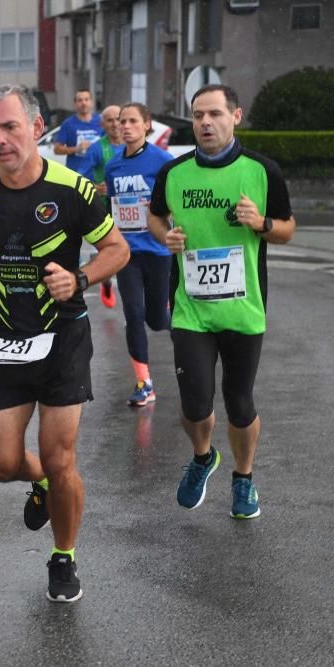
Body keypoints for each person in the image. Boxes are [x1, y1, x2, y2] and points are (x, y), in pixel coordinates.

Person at [0, 84, 129, 603]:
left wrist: (79, 277)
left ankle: (63, 556)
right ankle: (40, 484)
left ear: (35, 129)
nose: (0, 139)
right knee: (1, 464)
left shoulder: (74, 190)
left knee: (60, 457)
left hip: (63, 338)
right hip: (6, 340)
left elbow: (116, 249)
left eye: (10, 127)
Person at [148, 84, 295, 520]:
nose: (205, 123)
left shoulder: (262, 171)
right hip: (191, 309)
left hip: (244, 310)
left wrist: (262, 223)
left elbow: (288, 228)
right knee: (194, 403)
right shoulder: (174, 173)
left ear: (236, 115)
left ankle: (244, 478)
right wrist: (164, 236)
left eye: (214, 114)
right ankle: (202, 457)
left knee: (240, 402)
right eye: (197, 115)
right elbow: (156, 216)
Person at [104, 103, 174, 406]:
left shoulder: (162, 161)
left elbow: (176, 202)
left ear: (147, 125)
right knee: (133, 314)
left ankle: (190, 335)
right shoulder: (113, 166)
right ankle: (144, 383)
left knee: (157, 320)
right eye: (122, 121)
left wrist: (162, 214)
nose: (125, 126)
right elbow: (111, 208)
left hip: (157, 250)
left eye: (132, 121)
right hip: (127, 252)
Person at [80, 104, 124, 309]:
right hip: (106, 207)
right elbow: (80, 178)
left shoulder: (134, 144)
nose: (115, 124)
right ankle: (107, 280)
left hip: (132, 209)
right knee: (111, 247)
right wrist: (96, 187)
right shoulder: (97, 148)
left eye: (119, 119)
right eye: (110, 120)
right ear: (102, 124)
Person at [53, 89, 103, 176]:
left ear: (91, 102)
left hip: (97, 174)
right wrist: (77, 149)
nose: (83, 103)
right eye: (80, 100)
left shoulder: (101, 121)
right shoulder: (68, 124)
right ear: (75, 104)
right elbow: (57, 149)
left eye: (86, 99)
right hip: (75, 174)